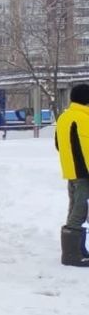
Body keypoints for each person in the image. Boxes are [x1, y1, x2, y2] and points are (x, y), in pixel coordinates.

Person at [55, 83, 89, 266]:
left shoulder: (64, 117)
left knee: (74, 207)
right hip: (84, 174)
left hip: (71, 172)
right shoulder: (83, 119)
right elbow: (87, 149)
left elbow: (58, 145)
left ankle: (76, 250)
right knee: (80, 211)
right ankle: (71, 255)